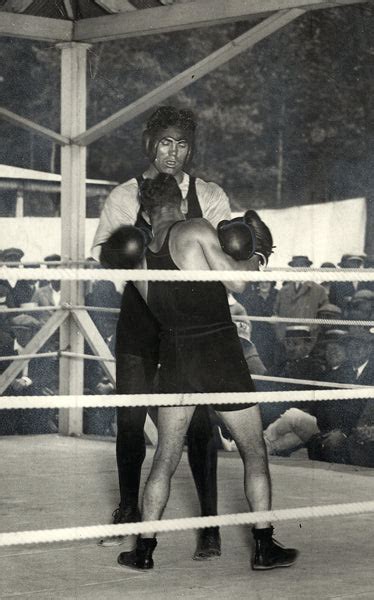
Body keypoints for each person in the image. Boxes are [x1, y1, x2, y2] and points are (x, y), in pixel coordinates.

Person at [113, 173, 298, 572]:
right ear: (181, 200)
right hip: (219, 351)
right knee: (254, 452)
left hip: (176, 355)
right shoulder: (196, 228)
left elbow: (154, 309)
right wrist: (257, 255)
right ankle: (264, 547)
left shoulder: (141, 253)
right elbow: (238, 282)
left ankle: (143, 550)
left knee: (164, 456)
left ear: (144, 210)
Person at [92, 106, 231, 557]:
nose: (174, 153)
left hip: (190, 325)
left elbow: (226, 248)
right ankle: (128, 509)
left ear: (192, 147)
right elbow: (104, 255)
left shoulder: (208, 194)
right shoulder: (124, 196)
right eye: (166, 143)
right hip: (140, 318)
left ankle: (209, 525)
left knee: (200, 423)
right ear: (150, 143)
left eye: (183, 144)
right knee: (130, 419)